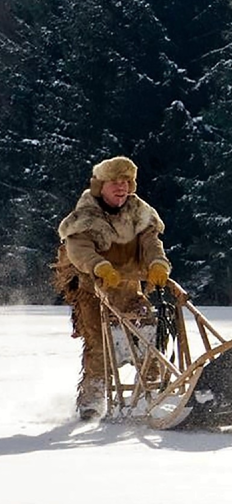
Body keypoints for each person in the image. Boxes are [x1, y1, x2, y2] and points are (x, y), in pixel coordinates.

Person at [53, 155, 172, 420]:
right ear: (100, 186)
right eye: (115, 182)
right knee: (99, 344)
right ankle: (91, 401)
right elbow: (78, 249)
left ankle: (152, 391)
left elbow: (151, 242)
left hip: (128, 287)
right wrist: (99, 266)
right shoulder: (85, 215)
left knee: (148, 332)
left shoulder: (139, 212)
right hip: (91, 288)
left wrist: (157, 264)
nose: (122, 187)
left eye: (127, 181)